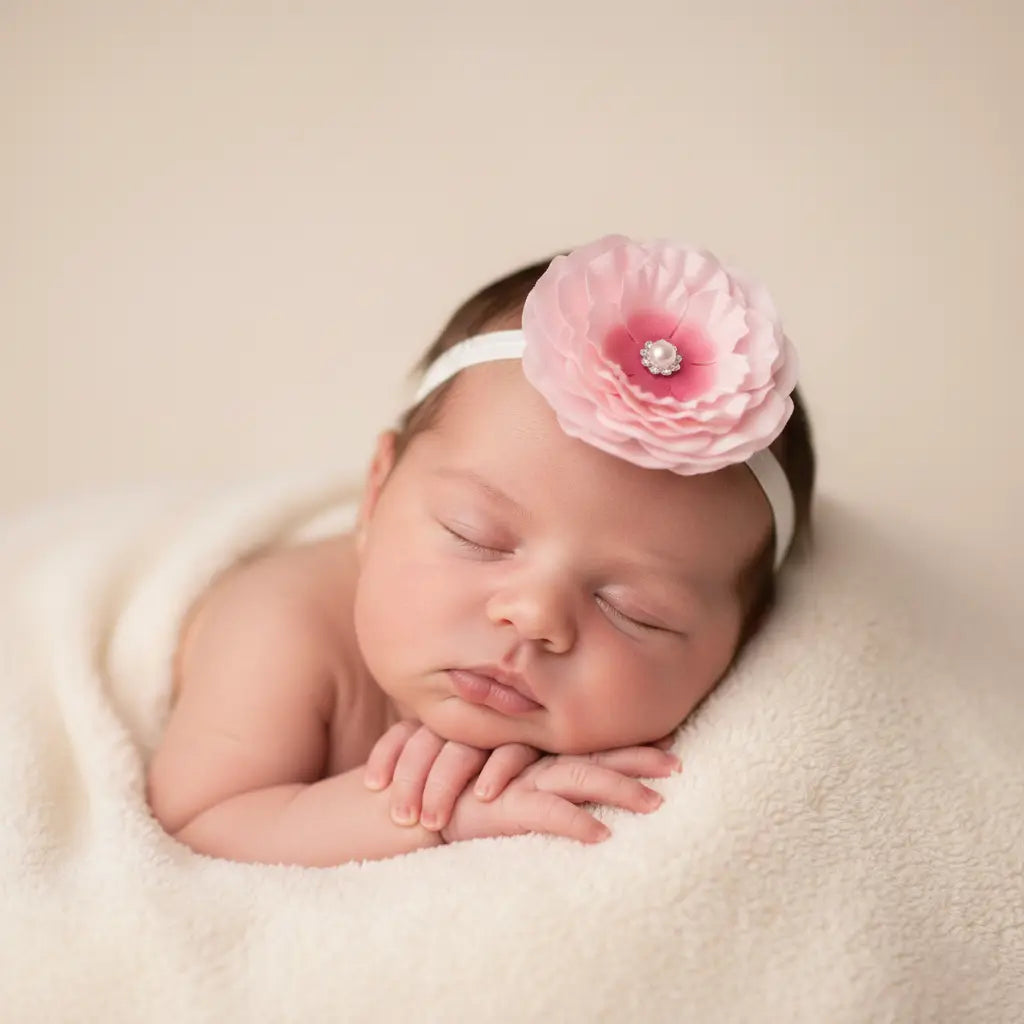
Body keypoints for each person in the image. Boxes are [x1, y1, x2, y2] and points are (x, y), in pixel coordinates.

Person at [146, 234, 816, 867]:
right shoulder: (281, 625)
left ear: (741, 642)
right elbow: (199, 825)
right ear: (376, 496)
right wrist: (429, 810)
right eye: (476, 536)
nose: (534, 616)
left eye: (634, 611)